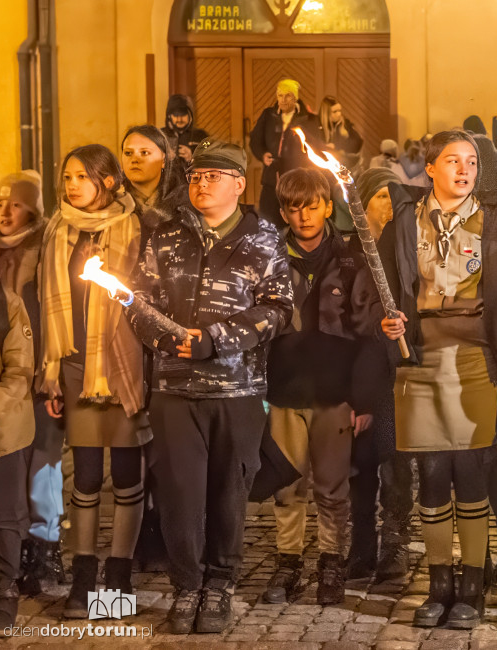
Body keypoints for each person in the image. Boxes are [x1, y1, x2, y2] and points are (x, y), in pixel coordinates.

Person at [128, 139, 293, 634]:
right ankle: (186, 587)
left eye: (214, 177)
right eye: (196, 176)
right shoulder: (167, 235)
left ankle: (219, 585)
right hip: (175, 390)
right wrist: (167, 339)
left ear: (239, 185)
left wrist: (216, 340)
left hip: (236, 390)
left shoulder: (263, 238)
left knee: (227, 493)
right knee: (180, 493)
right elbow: (137, 300)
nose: (202, 184)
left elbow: (278, 308)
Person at [377, 130, 497, 630]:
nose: (464, 170)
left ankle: (471, 582)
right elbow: (389, 290)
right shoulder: (404, 221)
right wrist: (390, 321)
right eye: (452, 161)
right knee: (433, 474)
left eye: (472, 162)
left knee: (471, 472)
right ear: (430, 168)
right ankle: (439, 580)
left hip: (475, 361)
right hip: (419, 359)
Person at [261, 168, 385, 605]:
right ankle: (288, 562)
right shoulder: (269, 254)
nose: (303, 216)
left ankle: (332, 562)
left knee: (332, 487)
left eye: (312, 205)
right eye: (293, 208)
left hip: (335, 392)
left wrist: (364, 397)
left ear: (328, 206)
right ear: (283, 212)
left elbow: (367, 329)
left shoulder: (351, 256)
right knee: (286, 485)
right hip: (283, 389)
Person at [41, 145, 149, 618]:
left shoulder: (135, 225)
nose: (71, 186)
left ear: (107, 181)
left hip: (123, 366)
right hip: (75, 365)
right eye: (67, 177)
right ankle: (84, 576)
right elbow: (45, 301)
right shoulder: (57, 228)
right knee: (84, 476)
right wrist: (50, 373)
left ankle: (119, 577)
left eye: (81, 177)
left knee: (127, 476)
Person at [343, 168, 414, 584]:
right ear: (363, 203)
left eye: (396, 198)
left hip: (397, 372)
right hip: (360, 371)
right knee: (360, 464)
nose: (390, 206)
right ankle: (362, 545)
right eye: (382, 197)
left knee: (397, 458)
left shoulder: (406, 245)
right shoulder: (350, 252)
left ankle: (395, 541)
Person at [0, 173, 62, 596]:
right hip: (6, 381)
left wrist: (51, 371)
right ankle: (10, 549)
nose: (4, 212)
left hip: (37, 375)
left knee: (44, 467)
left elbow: (54, 311)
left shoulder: (43, 251)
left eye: (14, 204)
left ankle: (45, 548)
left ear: (32, 209)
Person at [0, 255, 36, 637]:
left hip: (0, 429)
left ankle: (3, 593)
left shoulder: (7, 303)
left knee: (3, 515)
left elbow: (20, 369)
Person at [249, 79, 324, 225]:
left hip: (296, 181)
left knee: (294, 222)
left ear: (295, 97)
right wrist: (262, 154)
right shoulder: (268, 115)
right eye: (280, 95)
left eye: (287, 96)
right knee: (268, 222)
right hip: (272, 179)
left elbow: (316, 146)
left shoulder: (308, 119)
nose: (283, 100)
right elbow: (255, 140)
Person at [121, 125, 189, 230]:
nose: (134, 159)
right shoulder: (111, 201)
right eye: (128, 153)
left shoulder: (185, 203)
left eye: (144, 152)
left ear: (163, 160)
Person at [161, 94, 208, 168]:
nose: (179, 119)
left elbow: (211, 163)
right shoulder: (160, 136)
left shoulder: (202, 136)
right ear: (169, 116)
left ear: (190, 115)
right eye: (176, 115)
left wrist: (192, 158)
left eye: (183, 114)